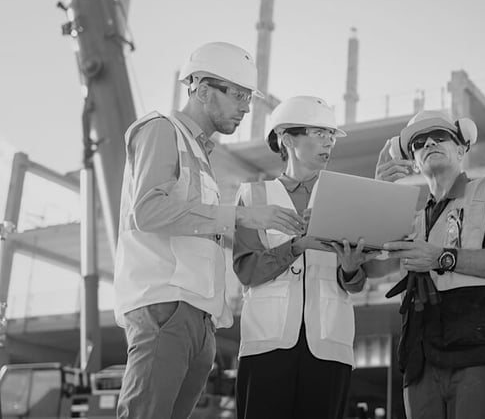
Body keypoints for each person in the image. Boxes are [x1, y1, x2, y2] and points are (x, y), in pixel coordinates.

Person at [114, 42, 306, 419]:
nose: (246, 107)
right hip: (165, 306)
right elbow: (149, 212)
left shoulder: (200, 154)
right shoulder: (160, 130)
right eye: (238, 95)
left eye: (248, 97)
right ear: (202, 90)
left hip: (198, 315)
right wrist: (241, 217)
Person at [370, 110, 485, 419]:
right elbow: (369, 270)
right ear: (413, 160)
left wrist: (442, 257)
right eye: (419, 143)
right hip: (421, 360)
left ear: (462, 148)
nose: (429, 144)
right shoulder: (410, 219)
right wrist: (377, 194)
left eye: (440, 137)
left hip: (480, 354)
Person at [233, 95, 373, 419]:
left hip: (329, 343)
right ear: (286, 138)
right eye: (318, 132)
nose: (328, 141)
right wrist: (296, 246)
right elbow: (247, 269)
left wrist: (351, 269)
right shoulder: (253, 197)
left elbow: (354, 283)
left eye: (331, 134)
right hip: (266, 344)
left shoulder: (347, 198)